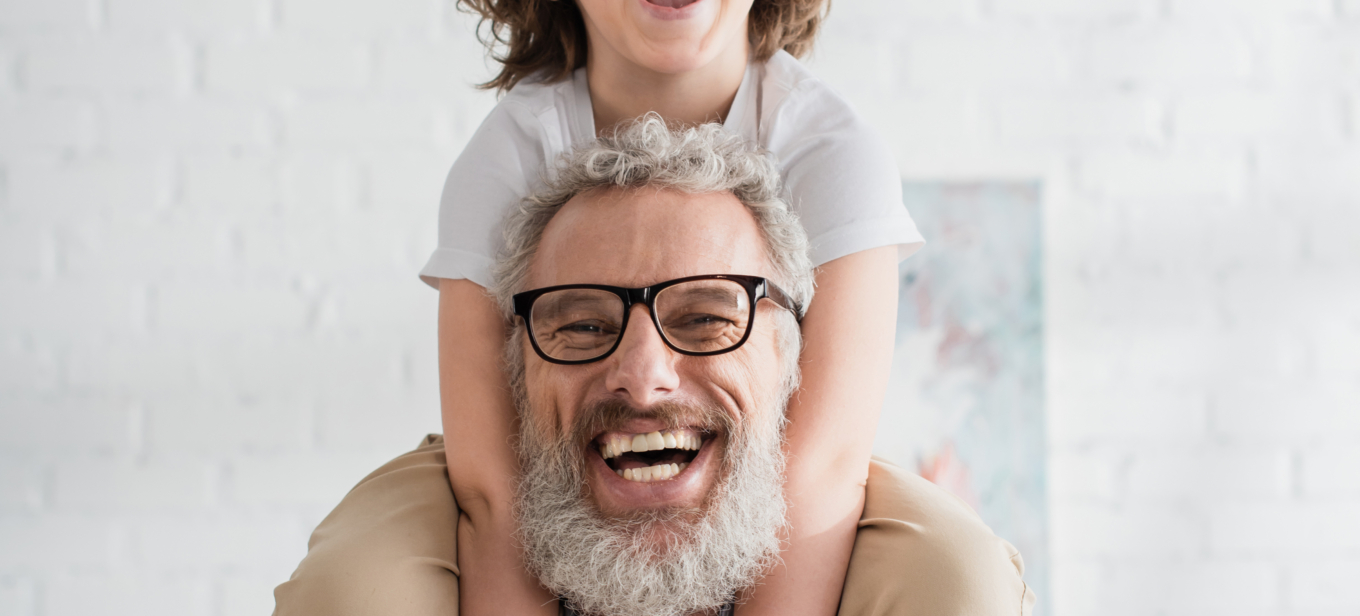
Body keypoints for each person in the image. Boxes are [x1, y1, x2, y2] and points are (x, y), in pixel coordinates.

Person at [419, 0, 924, 613]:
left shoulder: (834, 155)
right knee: (355, 584)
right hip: (545, 483)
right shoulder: (506, 158)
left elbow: (821, 468)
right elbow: (492, 485)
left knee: (962, 577)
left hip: (780, 491)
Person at [273, 119, 1035, 615]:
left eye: (706, 317)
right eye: (580, 324)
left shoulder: (832, 147)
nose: (643, 376)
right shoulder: (500, 153)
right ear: (516, 376)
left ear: (791, 361)